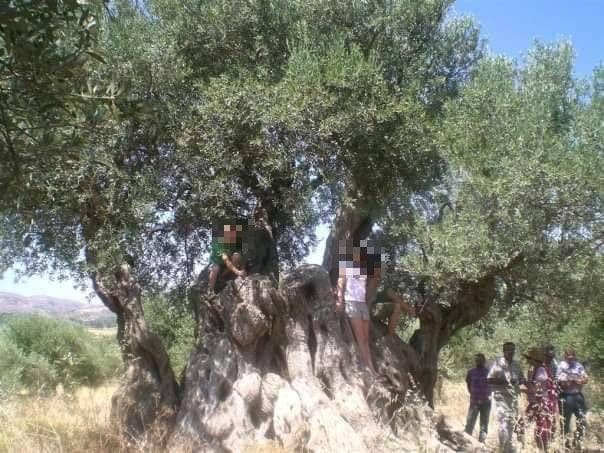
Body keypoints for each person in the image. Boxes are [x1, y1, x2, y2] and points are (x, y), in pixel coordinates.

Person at [336, 243, 376, 373]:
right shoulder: (346, 265)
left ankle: (371, 368)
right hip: (352, 303)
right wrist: (340, 300)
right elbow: (341, 282)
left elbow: (369, 284)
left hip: (362, 305)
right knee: (360, 338)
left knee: (365, 339)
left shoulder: (364, 268)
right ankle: (367, 369)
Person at [487, 341, 526, 453]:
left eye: (512, 350)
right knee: (503, 422)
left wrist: (519, 381)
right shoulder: (497, 363)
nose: (510, 352)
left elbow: (522, 379)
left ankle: (509, 447)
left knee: (512, 423)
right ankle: (503, 447)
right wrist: (502, 380)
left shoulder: (516, 364)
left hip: (513, 398)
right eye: (508, 349)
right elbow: (489, 379)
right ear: (504, 351)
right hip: (501, 397)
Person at [524, 348, 558, 452]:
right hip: (537, 402)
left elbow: (537, 387)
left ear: (533, 359)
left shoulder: (541, 370)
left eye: (529, 359)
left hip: (542, 402)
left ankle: (544, 449)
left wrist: (524, 388)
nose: (527, 361)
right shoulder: (536, 369)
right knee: (538, 427)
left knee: (542, 428)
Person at [557, 347, 588, 449]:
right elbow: (562, 382)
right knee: (565, 421)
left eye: (572, 356)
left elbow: (585, 379)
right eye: (568, 356)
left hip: (578, 395)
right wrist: (575, 379)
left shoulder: (578, 365)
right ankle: (565, 444)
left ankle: (577, 441)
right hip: (566, 396)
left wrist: (573, 379)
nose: (571, 358)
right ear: (565, 356)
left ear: (574, 356)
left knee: (582, 419)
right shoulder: (561, 365)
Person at [208, 222, 245, 294]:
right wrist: (238, 272)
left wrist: (243, 269)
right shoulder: (219, 244)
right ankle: (210, 290)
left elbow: (242, 256)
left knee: (237, 256)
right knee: (215, 268)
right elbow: (226, 260)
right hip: (217, 263)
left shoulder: (235, 242)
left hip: (226, 264)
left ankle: (223, 276)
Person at [464, 353, 491, 443]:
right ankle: (466, 442)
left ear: (484, 361)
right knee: (469, 423)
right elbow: (468, 383)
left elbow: (492, 384)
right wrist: (472, 394)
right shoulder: (471, 372)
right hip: (474, 402)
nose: (478, 361)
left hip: (486, 402)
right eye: (477, 360)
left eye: (480, 360)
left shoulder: (489, 372)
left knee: (484, 425)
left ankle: (481, 445)